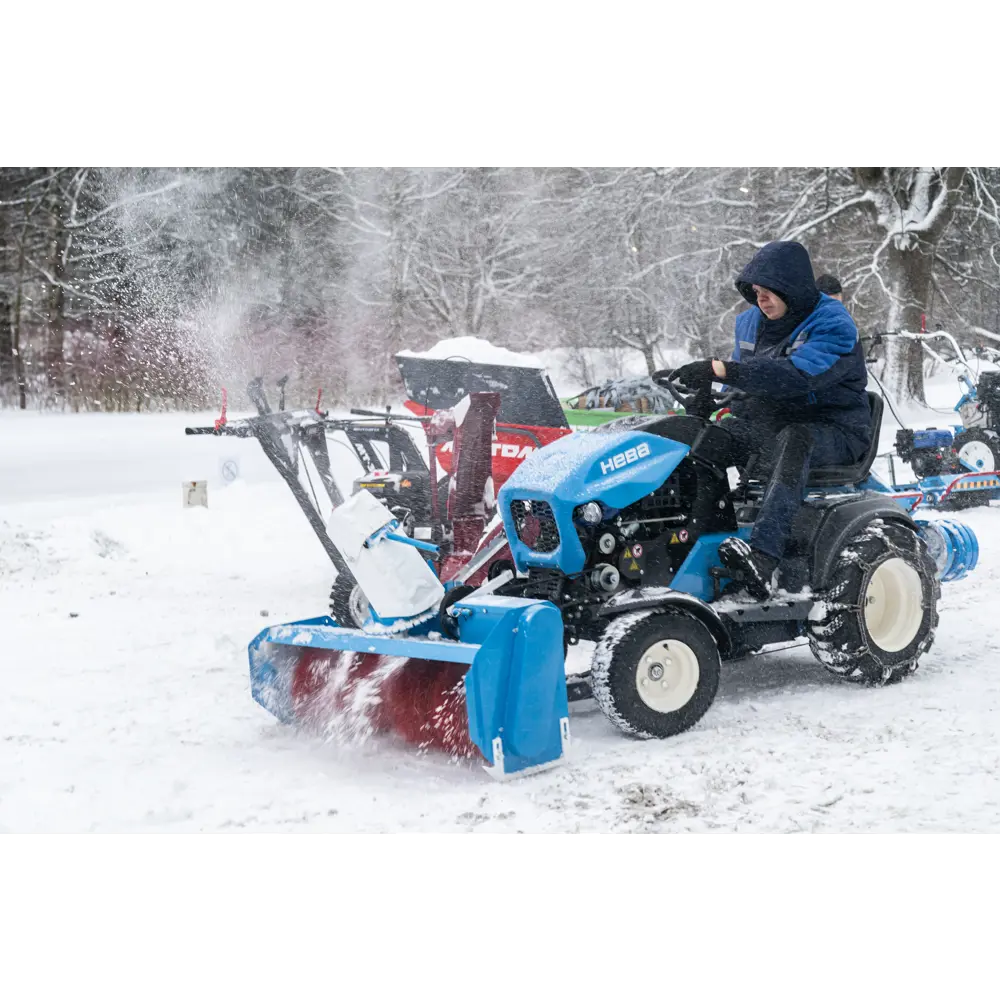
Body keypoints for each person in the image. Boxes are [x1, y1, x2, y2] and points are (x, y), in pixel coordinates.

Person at [666, 241, 871, 599]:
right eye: (756, 292)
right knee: (709, 439)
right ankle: (690, 537)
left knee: (796, 438)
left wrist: (720, 370)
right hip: (774, 427)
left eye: (769, 291)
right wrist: (710, 400)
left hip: (835, 430)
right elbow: (748, 387)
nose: (760, 300)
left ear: (792, 288)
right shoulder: (748, 324)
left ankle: (763, 556)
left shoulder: (834, 323)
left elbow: (795, 377)